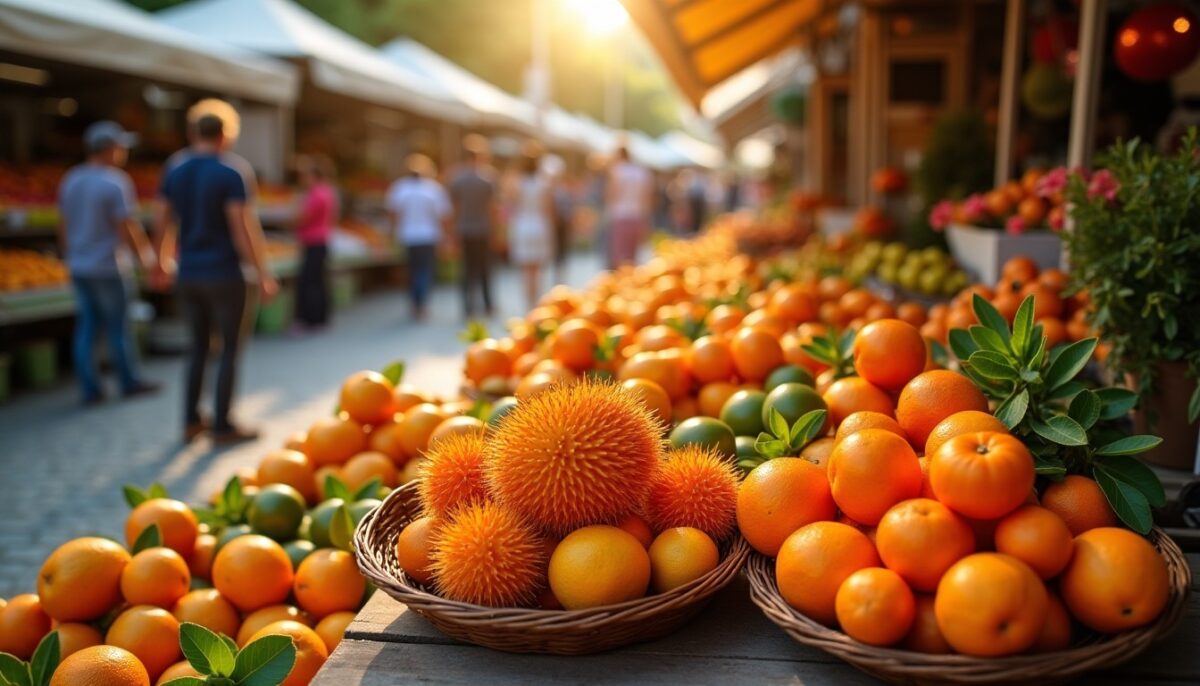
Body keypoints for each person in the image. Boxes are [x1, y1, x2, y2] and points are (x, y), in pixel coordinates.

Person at [153, 99, 278, 444]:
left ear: (194, 131)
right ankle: (222, 424)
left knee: (196, 348)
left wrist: (159, 262)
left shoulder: (174, 168)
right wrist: (263, 273)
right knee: (229, 349)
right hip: (225, 273)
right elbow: (242, 228)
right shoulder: (232, 171)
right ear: (225, 134)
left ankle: (191, 421)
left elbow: (162, 219)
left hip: (188, 271)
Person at [58, 120, 161, 405]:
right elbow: (126, 227)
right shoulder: (115, 181)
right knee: (119, 327)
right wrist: (145, 259)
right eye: (120, 147)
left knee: (87, 326)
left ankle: (90, 389)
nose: (123, 152)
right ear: (108, 149)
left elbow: (63, 225)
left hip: (79, 266)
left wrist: (71, 255)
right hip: (108, 266)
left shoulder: (72, 178)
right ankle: (129, 382)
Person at [386, 154, 451, 320]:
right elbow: (442, 216)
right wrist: (446, 237)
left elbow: (394, 214)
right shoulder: (433, 189)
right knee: (424, 270)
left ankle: (416, 302)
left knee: (413, 270)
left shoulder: (400, 188)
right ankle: (421, 302)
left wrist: (391, 234)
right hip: (427, 236)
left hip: (408, 236)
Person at [448, 142, 497, 318]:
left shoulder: (457, 179)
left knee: (466, 269)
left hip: (465, 229)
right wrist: (495, 230)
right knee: (484, 269)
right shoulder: (487, 179)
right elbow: (492, 209)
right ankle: (488, 304)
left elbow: (454, 208)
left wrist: (453, 231)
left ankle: (467, 307)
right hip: (482, 229)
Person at [292, 154, 337, 332]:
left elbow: (303, 217)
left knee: (310, 283)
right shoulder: (327, 192)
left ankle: (310, 319)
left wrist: (289, 220)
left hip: (314, 241)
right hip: (320, 240)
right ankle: (320, 318)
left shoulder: (317, 194)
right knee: (318, 281)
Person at [507, 153, 554, 310]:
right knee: (537, 269)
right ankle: (536, 302)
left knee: (526, 270)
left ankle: (528, 304)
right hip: (539, 225)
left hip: (522, 225)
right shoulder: (543, 183)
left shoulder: (518, 183)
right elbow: (548, 209)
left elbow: (513, 204)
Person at [605, 145, 653, 267]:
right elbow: (647, 198)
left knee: (620, 257)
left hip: (620, 216)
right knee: (633, 258)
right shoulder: (642, 172)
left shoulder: (617, 171)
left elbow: (612, 194)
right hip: (638, 216)